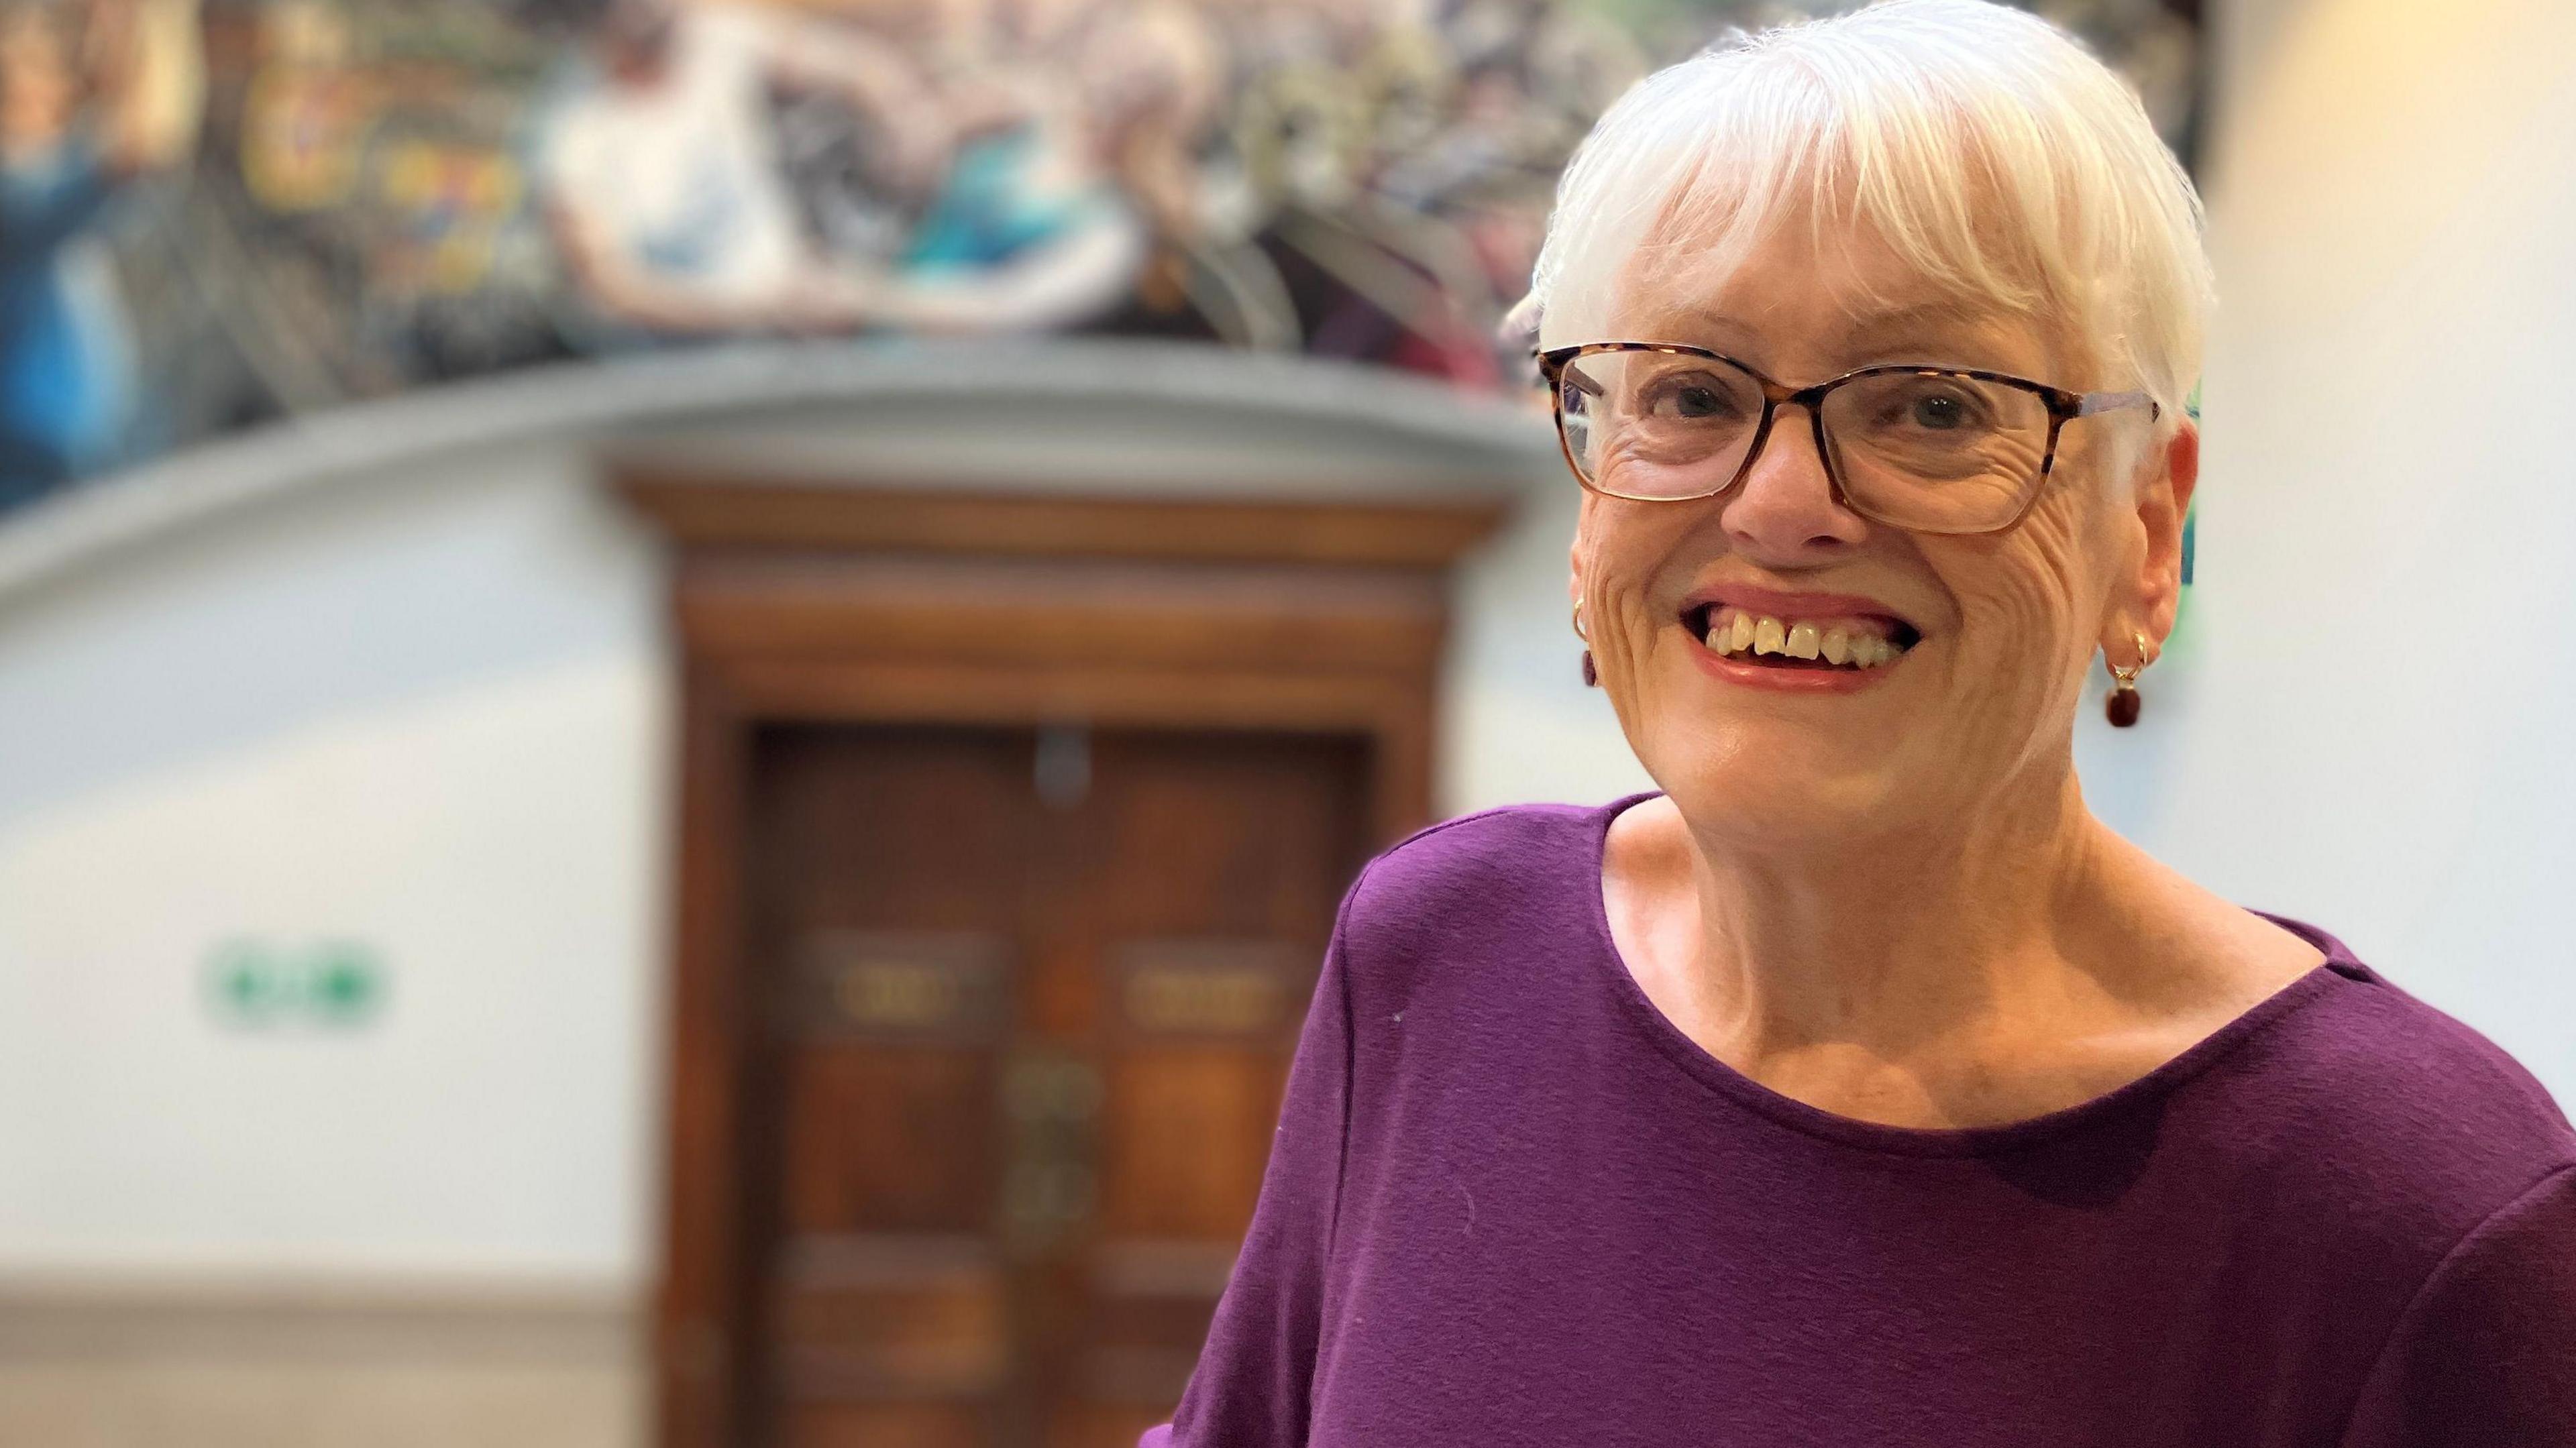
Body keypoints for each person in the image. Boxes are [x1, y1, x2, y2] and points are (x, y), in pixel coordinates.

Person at [1146, 3, 2576, 1445]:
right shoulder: (1441, 955)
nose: (1780, 506)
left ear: (2148, 530)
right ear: (1588, 512)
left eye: (1935, 408)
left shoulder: (2427, 1213)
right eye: (1690, 391)